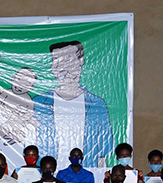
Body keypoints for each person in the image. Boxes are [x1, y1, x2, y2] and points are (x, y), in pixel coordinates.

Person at [34, 40, 113, 168]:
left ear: (80, 61)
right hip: (49, 178)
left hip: (84, 178)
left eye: (68, 60)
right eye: (56, 60)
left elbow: (102, 156)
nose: (62, 68)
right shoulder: (39, 103)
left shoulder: (97, 105)